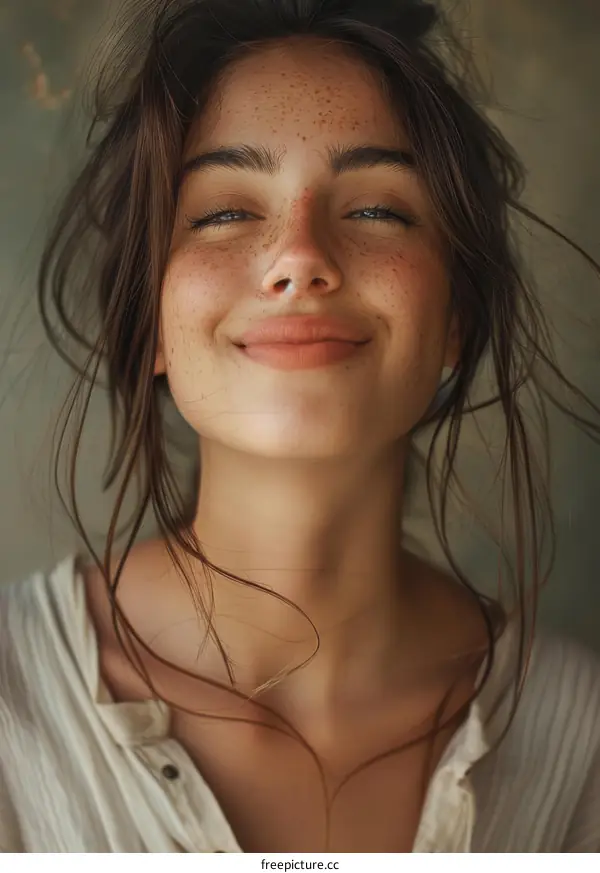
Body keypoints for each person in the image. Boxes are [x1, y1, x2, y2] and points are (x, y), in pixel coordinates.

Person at [1, 0, 599, 854]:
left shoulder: (584, 744)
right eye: (225, 212)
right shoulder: (12, 704)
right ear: (149, 318)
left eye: (377, 210)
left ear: (455, 316)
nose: (300, 257)